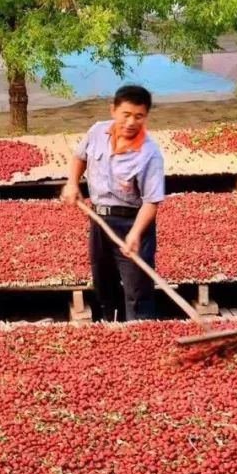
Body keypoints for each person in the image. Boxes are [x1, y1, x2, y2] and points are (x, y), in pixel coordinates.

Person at [60, 85, 165, 321]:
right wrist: (73, 183)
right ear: (113, 111)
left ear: (145, 117)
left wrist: (136, 234)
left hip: (132, 222)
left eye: (138, 116)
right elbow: (80, 157)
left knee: (137, 288)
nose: (131, 122)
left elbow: (151, 202)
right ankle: (111, 325)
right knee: (103, 280)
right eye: (126, 114)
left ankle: (140, 335)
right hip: (99, 219)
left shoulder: (150, 155)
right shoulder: (97, 132)